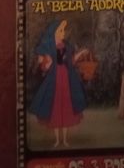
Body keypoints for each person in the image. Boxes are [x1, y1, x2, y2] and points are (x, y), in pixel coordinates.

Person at [29, 19, 88, 148]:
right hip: (54, 80)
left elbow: (71, 61)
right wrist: (46, 62)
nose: (63, 32)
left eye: (63, 30)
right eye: (61, 30)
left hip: (66, 79)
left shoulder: (66, 46)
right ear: (54, 33)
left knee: (67, 107)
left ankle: (65, 140)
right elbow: (43, 65)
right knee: (55, 108)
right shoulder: (49, 47)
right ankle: (57, 140)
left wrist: (81, 53)